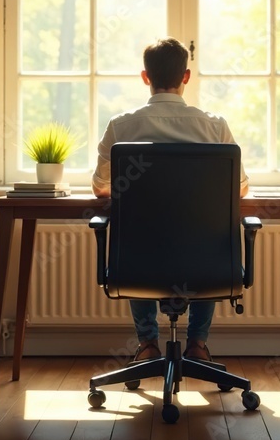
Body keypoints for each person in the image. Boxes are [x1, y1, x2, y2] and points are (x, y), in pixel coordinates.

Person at [91, 37, 249, 363]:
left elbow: (100, 188)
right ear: (186, 76)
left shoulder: (121, 127)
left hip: (137, 264)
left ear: (145, 77)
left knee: (137, 236)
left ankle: (148, 344)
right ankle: (198, 344)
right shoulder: (215, 127)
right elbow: (239, 190)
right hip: (207, 264)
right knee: (212, 235)